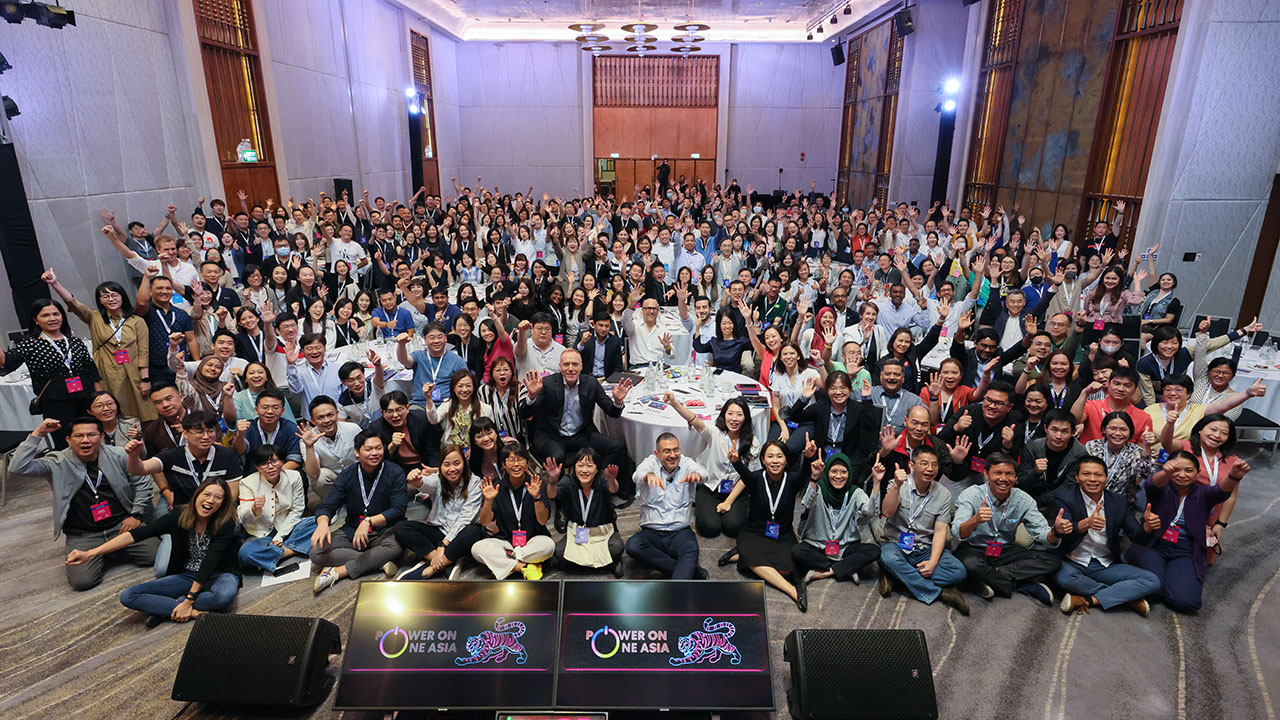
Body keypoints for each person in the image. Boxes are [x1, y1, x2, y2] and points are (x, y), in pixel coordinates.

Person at [68, 477, 240, 627]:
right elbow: (138, 534)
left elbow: (211, 560)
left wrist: (188, 600)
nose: (211, 500)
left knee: (223, 596)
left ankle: (168, 607)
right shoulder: (180, 515)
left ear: (223, 503)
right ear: (197, 495)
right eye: (207, 494)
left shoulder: (225, 522)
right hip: (188, 575)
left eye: (218, 498)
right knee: (129, 596)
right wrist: (91, 553)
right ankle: (194, 613)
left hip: (220, 574)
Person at [13, 417, 156, 590]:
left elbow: (141, 482)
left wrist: (136, 514)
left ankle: (110, 549)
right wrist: (39, 432)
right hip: (84, 534)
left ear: (101, 437)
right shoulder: (56, 462)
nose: (85, 440)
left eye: (91, 435)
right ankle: (108, 551)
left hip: (120, 525)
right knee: (83, 582)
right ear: (68, 440)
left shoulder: (118, 454)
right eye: (79, 436)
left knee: (153, 556)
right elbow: (17, 467)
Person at [1127, 450, 1249, 613]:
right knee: (1154, 590)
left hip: (1186, 551)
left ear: (1198, 473)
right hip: (1154, 546)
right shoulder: (1162, 487)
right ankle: (1159, 581)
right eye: (1176, 470)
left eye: (1189, 470)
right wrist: (1165, 472)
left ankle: (1167, 580)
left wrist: (1234, 476)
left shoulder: (1202, 493)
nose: (1182, 475)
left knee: (1186, 602)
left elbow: (1220, 491)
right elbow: (1151, 484)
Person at [1051, 456, 1161, 616]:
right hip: (1072, 560)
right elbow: (1066, 528)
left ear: (1106, 477)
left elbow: (1138, 538)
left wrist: (1147, 527)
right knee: (1062, 577)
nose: (1092, 479)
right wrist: (1084, 524)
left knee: (1152, 581)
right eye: (1086, 474)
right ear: (1077, 477)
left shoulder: (1118, 501)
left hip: (1104, 564)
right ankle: (1126, 597)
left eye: (1098, 475)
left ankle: (1088, 599)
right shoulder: (1065, 497)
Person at [952, 452, 1065, 606]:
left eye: (1009, 474)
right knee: (969, 563)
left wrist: (1056, 532)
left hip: (1005, 550)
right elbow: (958, 532)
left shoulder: (1023, 499)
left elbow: (1042, 533)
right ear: (986, 474)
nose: (1003, 479)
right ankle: (1023, 585)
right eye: (997, 473)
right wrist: (975, 520)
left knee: (1053, 561)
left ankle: (988, 578)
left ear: (1015, 477)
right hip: (974, 547)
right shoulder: (971, 495)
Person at [43, 269, 154, 421]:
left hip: (132, 372)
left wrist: (145, 379)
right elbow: (74, 304)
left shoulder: (136, 321)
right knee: (111, 411)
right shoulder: (94, 318)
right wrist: (54, 283)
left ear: (122, 297)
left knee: (142, 412)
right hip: (106, 373)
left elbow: (143, 351)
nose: (111, 299)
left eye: (114, 294)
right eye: (105, 296)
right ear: (100, 300)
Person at [523, 349, 635, 499]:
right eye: (566, 364)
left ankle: (599, 485)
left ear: (581, 367)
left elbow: (612, 412)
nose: (570, 368)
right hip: (551, 435)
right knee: (557, 456)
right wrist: (531, 397)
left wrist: (618, 401)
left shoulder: (591, 383)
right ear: (560, 366)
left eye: (575, 364)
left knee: (616, 447)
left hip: (581, 434)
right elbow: (525, 414)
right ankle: (564, 500)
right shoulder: (548, 384)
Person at [723, 437, 818, 610]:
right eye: (770, 456)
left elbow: (805, 474)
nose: (775, 461)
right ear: (763, 460)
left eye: (779, 456)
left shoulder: (792, 480)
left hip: (782, 535)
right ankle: (792, 591)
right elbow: (744, 473)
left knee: (789, 569)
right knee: (753, 556)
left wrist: (809, 456)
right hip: (755, 532)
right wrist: (736, 461)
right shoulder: (756, 478)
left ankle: (740, 555)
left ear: (786, 460)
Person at [311, 429, 408, 594]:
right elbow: (328, 505)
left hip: (384, 530)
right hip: (352, 530)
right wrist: (322, 523)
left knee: (397, 547)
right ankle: (378, 561)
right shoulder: (348, 474)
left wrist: (369, 521)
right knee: (316, 552)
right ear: (357, 451)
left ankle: (338, 571)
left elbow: (398, 509)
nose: (375, 453)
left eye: (378, 448)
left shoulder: (395, 472)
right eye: (368, 449)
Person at [877, 446, 970, 615]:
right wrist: (897, 486)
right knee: (887, 557)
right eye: (924, 464)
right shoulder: (897, 483)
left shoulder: (943, 494)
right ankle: (940, 593)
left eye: (934, 465)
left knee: (958, 571)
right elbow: (887, 513)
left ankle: (899, 577)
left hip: (924, 548)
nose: (930, 469)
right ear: (911, 466)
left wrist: (933, 562)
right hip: (896, 545)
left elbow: (941, 531)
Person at [0, 299, 101, 448]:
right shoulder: (30, 344)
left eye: (56, 314)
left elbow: (91, 370)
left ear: (62, 316)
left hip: (85, 399)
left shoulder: (75, 342)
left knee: (92, 439)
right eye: (45, 315)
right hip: (56, 403)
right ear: (35, 320)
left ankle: (94, 470)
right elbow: (5, 361)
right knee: (65, 442)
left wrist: (98, 398)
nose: (52, 318)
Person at [665, 393, 759, 541]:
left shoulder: (752, 443)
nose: (734, 419)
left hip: (735, 489)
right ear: (724, 415)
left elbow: (747, 477)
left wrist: (728, 502)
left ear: (745, 418)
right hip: (710, 486)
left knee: (733, 528)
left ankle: (727, 507)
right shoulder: (715, 433)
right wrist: (675, 403)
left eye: (739, 415)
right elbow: (694, 419)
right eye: (730, 414)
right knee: (709, 528)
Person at [393, 443, 486, 580]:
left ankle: (433, 566)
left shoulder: (474, 482)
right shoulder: (437, 479)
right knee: (401, 527)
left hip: (460, 533)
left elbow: (466, 519)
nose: (452, 469)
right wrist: (417, 481)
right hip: (438, 531)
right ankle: (442, 561)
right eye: (446, 464)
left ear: (464, 464)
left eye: (456, 463)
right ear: (440, 466)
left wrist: (444, 544)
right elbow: (425, 484)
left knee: (474, 531)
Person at [792, 452, 883, 589]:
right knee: (797, 551)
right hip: (818, 545)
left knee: (874, 551)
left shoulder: (855, 492)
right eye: (834, 471)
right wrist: (814, 478)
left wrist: (876, 482)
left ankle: (825, 571)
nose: (838, 476)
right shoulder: (819, 488)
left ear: (849, 473)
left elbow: (871, 512)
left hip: (845, 546)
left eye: (843, 472)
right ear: (827, 472)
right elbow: (806, 503)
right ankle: (847, 568)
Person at [626, 433, 708, 580]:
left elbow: (704, 473)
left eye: (676, 450)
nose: (673, 455)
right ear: (657, 453)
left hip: (680, 531)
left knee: (691, 549)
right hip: (652, 531)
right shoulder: (650, 462)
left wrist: (697, 475)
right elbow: (636, 475)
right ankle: (690, 572)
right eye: (667, 451)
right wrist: (647, 476)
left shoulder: (686, 463)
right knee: (633, 546)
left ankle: (677, 581)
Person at [471, 444, 555, 580]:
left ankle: (507, 563)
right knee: (477, 548)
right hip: (507, 542)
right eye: (511, 460)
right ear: (504, 464)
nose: (516, 464)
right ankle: (525, 567)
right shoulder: (497, 487)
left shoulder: (537, 484)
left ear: (527, 463)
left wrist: (536, 497)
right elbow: (485, 522)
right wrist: (488, 501)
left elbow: (543, 521)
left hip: (533, 540)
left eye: (520, 459)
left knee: (548, 546)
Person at [127, 410, 242, 508]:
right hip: (183, 511)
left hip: (217, 511)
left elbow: (232, 494)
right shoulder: (173, 456)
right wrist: (133, 456)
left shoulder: (227, 456)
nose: (206, 436)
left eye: (210, 431)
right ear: (185, 434)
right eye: (199, 432)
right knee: (163, 532)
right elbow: (139, 470)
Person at [236, 444, 317, 573]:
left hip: (287, 527)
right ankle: (294, 548)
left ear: (282, 461)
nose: (270, 467)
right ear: (257, 467)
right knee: (246, 552)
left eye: (274, 461)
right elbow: (242, 517)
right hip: (261, 533)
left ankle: (281, 552)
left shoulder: (294, 477)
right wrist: (254, 509)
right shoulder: (247, 483)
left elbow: (297, 509)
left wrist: (280, 536)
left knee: (318, 522)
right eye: (264, 464)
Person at [545, 448, 625, 576]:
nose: (584, 470)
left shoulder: (602, 479)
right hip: (578, 532)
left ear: (597, 468)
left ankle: (610, 562)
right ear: (574, 467)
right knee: (559, 551)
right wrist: (552, 481)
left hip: (602, 531)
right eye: (580, 465)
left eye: (589, 466)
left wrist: (611, 479)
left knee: (617, 547)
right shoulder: (569, 480)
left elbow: (613, 489)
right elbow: (552, 495)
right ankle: (607, 564)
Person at [937, 380, 1022, 492]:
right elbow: (940, 440)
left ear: (1010, 407)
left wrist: (1007, 446)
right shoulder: (967, 412)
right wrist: (955, 428)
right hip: (960, 468)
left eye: (999, 403)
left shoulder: (1014, 426)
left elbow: (1013, 465)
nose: (991, 406)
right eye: (988, 400)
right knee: (943, 495)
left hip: (993, 474)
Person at [787, 371, 880, 472]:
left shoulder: (856, 408)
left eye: (843, 388)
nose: (838, 392)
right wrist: (804, 398)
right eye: (833, 388)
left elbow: (871, 425)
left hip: (847, 459)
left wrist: (867, 400)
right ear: (827, 390)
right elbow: (794, 417)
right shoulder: (821, 406)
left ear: (850, 389)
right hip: (821, 457)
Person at [1017, 409, 1088, 509]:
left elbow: (1069, 486)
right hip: (1029, 498)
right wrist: (1036, 472)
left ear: (1073, 432)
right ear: (1046, 428)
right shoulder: (1032, 448)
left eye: (1064, 431)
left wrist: (1037, 503)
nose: (1058, 436)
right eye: (1054, 430)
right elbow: (1022, 482)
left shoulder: (1080, 453)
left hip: (1062, 503)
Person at [1084, 411, 1158, 503]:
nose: (1118, 433)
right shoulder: (1092, 446)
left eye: (1123, 429)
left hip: (1119, 502)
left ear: (1130, 432)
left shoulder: (1135, 451)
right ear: (1104, 429)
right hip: (1088, 498)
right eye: (1113, 428)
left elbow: (1146, 473)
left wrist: (1147, 447)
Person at [1073, 367, 1152, 444]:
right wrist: (1085, 393)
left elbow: (1141, 451)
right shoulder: (1092, 406)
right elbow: (1073, 420)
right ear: (1108, 384)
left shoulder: (1143, 418)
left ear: (1135, 389)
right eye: (1116, 383)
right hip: (1089, 456)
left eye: (1127, 385)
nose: (1120, 389)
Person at [231, 388, 303, 473]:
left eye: (275, 408)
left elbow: (295, 460)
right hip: (254, 474)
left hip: (282, 473)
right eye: (265, 407)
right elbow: (240, 451)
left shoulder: (291, 428)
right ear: (256, 410)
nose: (270, 411)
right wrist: (240, 435)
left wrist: (274, 473)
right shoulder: (248, 426)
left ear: (282, 411)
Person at [397, 323, 468, 407]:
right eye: (432, 338)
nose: (436, 341)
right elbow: (404, 360)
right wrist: (401, 345)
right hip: (420, 403)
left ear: (445, 338)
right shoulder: (419, 356)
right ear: (425, 339)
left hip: (447, 404)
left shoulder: (456, 360)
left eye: (440, 337)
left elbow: (466, 382)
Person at [424, 369, 491, 447]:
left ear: (474, 387)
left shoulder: (486, 409)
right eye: (460, 386)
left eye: (468, 385)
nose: (464, 390)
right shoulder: (448, 405)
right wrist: (428, 398)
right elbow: (433, 420)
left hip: (476, 450)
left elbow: (489, 433)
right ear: (453, 388)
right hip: (452, 450)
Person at [286, 332, 343, 411]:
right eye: (309, 349)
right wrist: (291, 364)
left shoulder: (337, 368)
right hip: (311, 419)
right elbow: (295, 391)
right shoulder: (298, 372)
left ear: (325, 348)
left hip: (336, 416)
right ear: (302, 352)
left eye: (318, 347)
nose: (314, 352)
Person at [336, 353, 387, 428]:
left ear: (364, 375)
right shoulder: (343, 401)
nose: (357, 383)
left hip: (385, 426)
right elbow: (341, 424)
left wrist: (377, 365)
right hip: (364, 434)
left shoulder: (373, 385)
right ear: (343, 382)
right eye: (351, 380)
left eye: (359, 377)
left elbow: (379, 377)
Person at [577, 310, 625, 378]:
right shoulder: (583, 336)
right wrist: (582, 343)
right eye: (601, 325)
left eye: (607, 326)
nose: (603, 329)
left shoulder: (615, 341)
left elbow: (617, 366)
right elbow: (574, 354)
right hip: (587, 378)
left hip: (606, 379)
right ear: (594, 324)